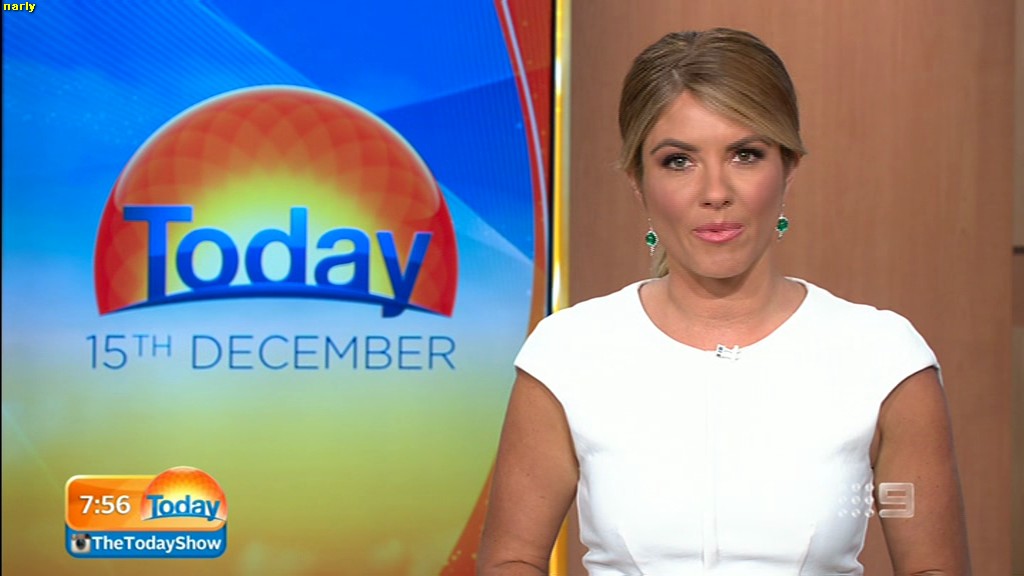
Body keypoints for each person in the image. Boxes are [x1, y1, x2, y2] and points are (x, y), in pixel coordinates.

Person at [476, 28, 970, 576]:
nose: (715, 192)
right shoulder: (569, 352)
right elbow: (512, 560)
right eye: (678, 161)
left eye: (745, 155)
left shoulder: (883, 358)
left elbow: (930, 567)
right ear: (638, 181)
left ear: (788, 169)